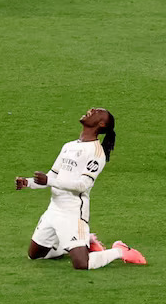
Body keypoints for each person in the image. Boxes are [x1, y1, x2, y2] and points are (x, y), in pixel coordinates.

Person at [15, 108, 146, 269]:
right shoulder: (69, 146)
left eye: (97, 112)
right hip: (53, 210)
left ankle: (119, 251)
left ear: (101, 123)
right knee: (34, 256)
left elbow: (83, 185)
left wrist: (49, 180)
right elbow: (52, 176)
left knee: (82, 264)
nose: (91, 110)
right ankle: (81, 243)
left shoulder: (97, 153)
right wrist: (28, 183)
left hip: (73, 213)